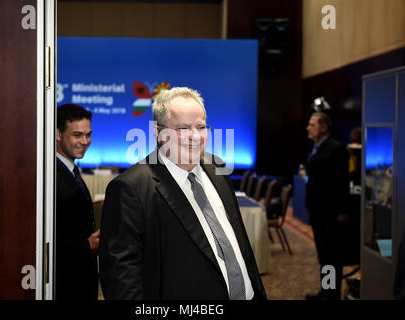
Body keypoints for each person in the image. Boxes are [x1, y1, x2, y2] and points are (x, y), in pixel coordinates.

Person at [99, 87, 266, 300]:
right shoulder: (130, 188)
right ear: (158, 133)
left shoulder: (217, 167)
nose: (195, 137)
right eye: (183, 129)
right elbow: (121, 278)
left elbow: (238, 240)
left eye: (201, 127)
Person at [56, 103, 100, 300]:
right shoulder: (49, 175)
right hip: (65, 285)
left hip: (82, 280)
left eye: (88, 134)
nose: (85, 141)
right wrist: (85, 246)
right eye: (77, 135)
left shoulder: (71, 169)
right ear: (58, 134)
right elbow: (45, 240)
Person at [304, 111, 350, 300]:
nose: (308, 128)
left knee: (331, 257)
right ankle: (326, 291)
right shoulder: (317, 147)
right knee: (324, 256)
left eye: (312, 124)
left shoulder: (336, 148)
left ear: (324, 127)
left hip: (330, 213)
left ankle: (331, 295)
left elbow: (341, 183)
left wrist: (341, 211)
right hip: (317, 211)